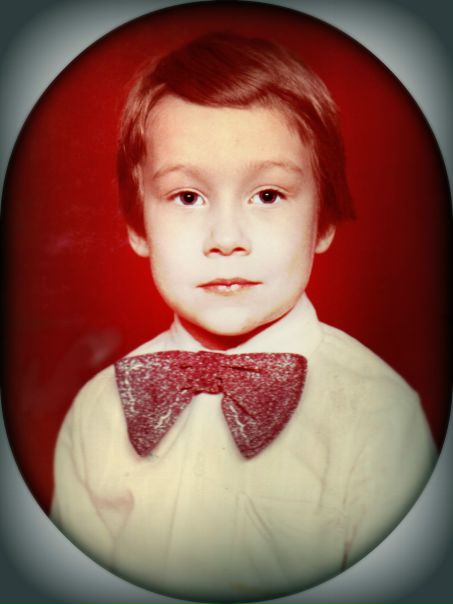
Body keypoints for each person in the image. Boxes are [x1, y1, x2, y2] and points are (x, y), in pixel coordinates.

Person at [51, 32, 436, 602]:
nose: (227, 238)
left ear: (324, 221)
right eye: (187, 197)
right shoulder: (98, 413)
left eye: (268, 195)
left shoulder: (381, 417)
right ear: (137, 226)